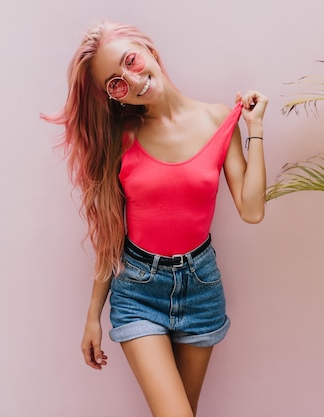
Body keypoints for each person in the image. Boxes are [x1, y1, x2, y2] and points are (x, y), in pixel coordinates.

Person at [42, 21, 267, 417]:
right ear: (113, 96)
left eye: (131, 61)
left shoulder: (219, 119)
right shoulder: (119, 139)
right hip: (138, 291)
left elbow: (252, 210)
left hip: (200, 286)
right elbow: (110, 236)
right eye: (116, 83)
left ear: (149, 50)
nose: (133, 79)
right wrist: (93, 316)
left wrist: (256, 129)